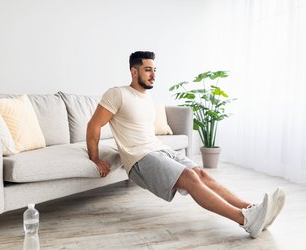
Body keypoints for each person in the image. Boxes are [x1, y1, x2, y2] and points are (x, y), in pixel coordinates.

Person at [86, 51, 285, 239]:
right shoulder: (117, 94)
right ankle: (246, 221)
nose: (153, 74)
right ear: (133, 71)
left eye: (155, 70)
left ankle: (252, 209)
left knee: (201, 173)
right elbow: (94, 125)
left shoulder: (147, 97)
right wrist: (95, 158)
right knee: (189, 177)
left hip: (159, 149)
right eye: (148, 69)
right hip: (140, 159)